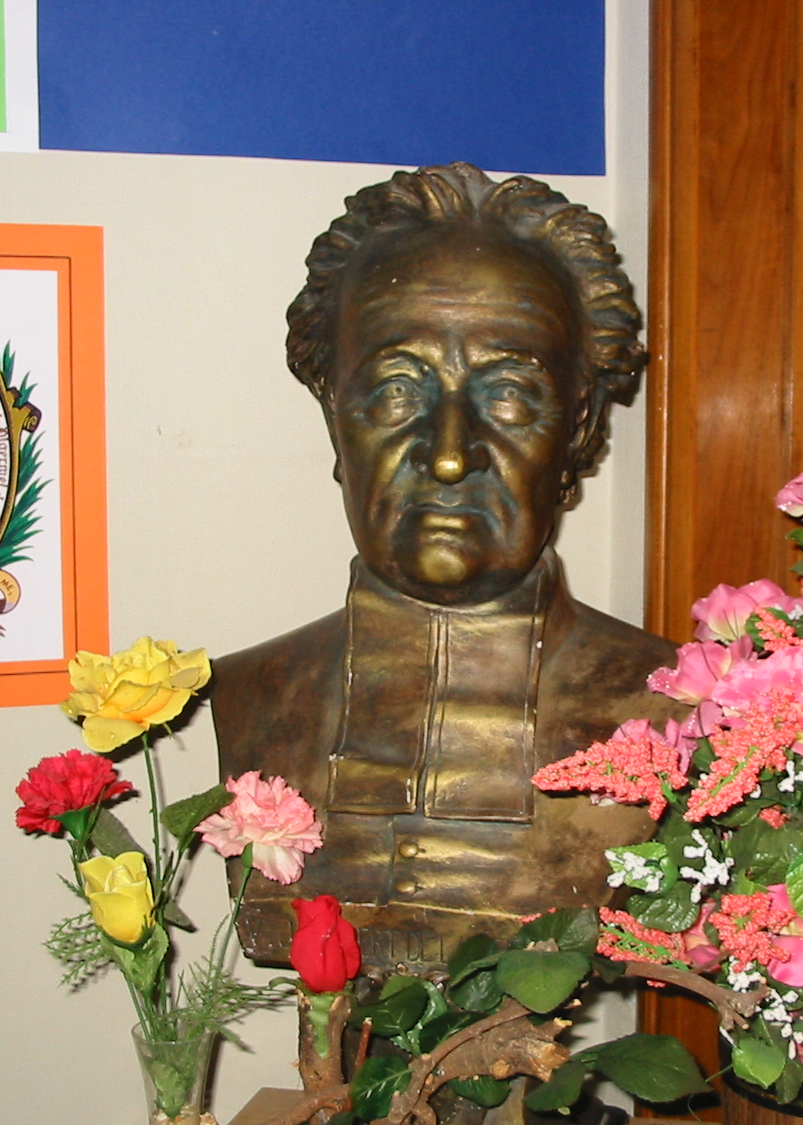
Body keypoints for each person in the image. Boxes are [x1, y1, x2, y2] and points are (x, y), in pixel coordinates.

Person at [211, 163, 682, 971]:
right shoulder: (248, 694)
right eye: (398, 390)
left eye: (510, 394)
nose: (451, 455)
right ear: (334, 413)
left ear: (577, 429)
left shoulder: (685, 713)